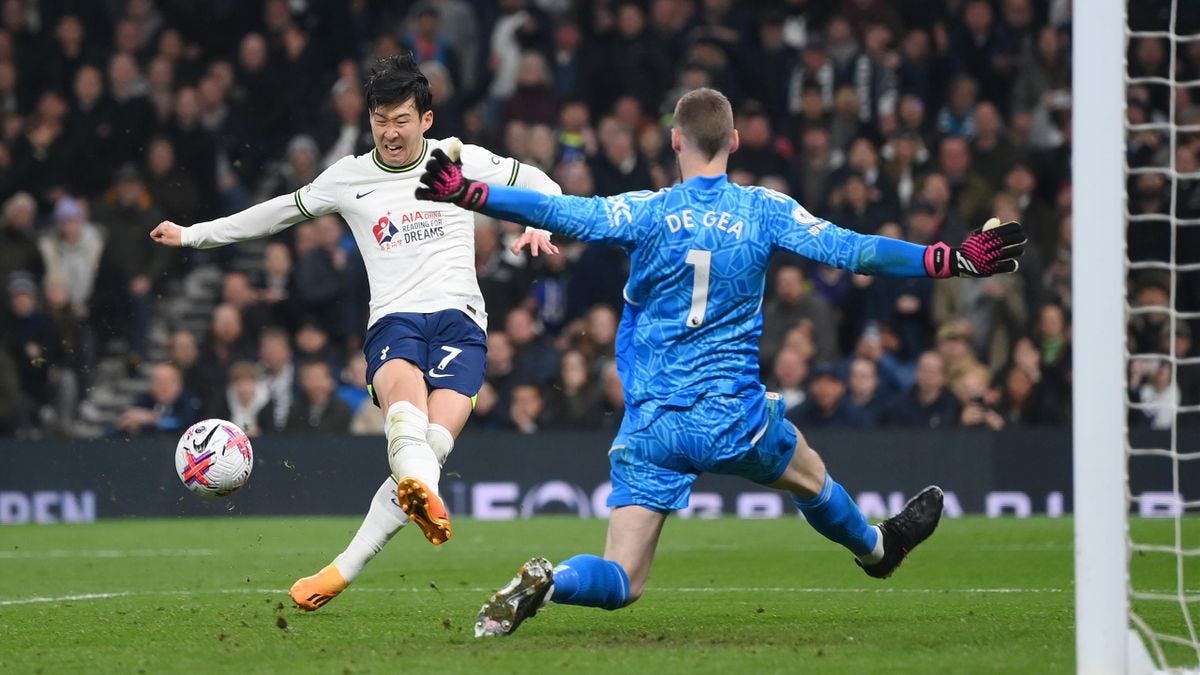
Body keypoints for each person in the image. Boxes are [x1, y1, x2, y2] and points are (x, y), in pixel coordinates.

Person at [413, 87, 1026, 636]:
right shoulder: (765, 210)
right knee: (810, 476)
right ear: (733, 141)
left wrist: (472, 192)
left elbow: (564, 212)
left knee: (623, 579)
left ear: (675, 140)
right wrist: (947, 259)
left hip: (653, 423)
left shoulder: (646, 211)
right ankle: (875, 549)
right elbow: (855, 251)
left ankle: (555, 580)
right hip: (736, 418)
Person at [149, 53, 562, 611]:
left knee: (428, 449)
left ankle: (345, 566)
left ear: (426, 120)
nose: (390, 132)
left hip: (462, 321)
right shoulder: (349, 177)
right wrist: (195, 235)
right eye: (380, 120)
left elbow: (540, 180)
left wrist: (538, 219)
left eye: (401, 120)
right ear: (369, 120)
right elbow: (275, 213)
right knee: (405, 405)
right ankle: (416, 500)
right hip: (395, 318)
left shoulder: (458, 160)